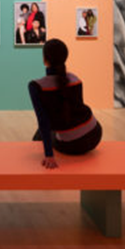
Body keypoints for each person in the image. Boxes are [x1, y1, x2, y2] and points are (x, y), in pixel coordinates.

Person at [28, 39, 102, 169]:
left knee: (41, 132)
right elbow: (75, 112)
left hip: (71, 145)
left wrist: (49, 155)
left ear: (45, 59)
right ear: (65, 57)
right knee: (46, 129)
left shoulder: (36, 86)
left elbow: (43, 122)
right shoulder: (76, 79)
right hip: (95, 133)